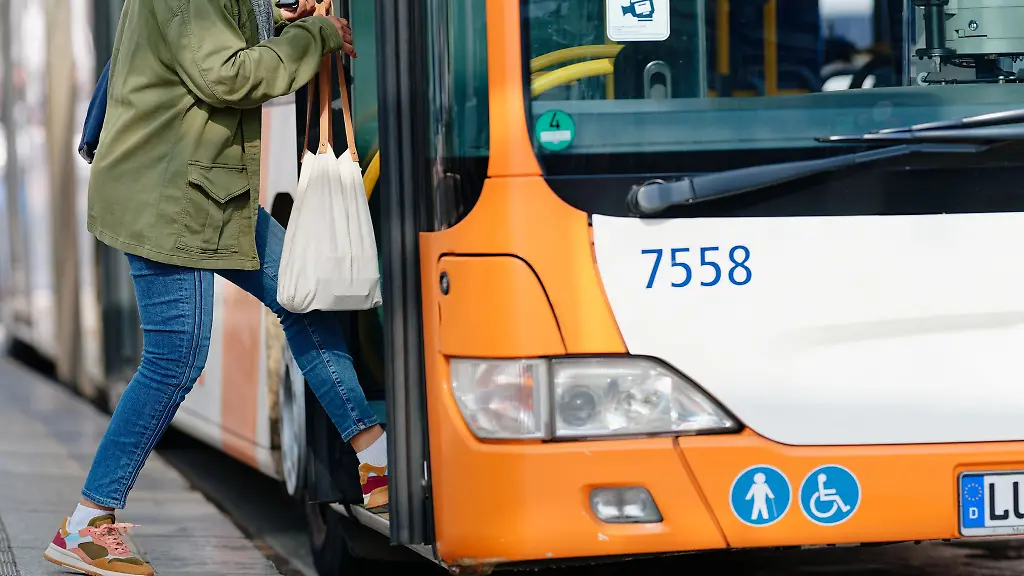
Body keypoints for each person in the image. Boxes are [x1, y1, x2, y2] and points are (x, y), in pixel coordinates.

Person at [42, 1, 387, 574]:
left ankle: (371, 452)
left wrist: (280, 17)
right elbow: (225, 73)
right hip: (164, 195)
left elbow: (219, 31)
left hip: (209, 189)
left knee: (299, 294)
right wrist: (315, 36)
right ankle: (87, 524)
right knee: (176, 357)